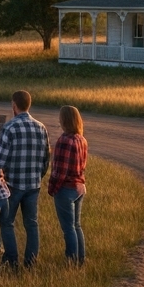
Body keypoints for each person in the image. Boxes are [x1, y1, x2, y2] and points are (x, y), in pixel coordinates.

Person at [0, 90, 50, 268]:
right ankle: (30, 262)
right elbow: (46, 158)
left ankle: (11, 261)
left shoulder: (9, 128)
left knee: (6, 221)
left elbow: (0, 160)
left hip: (13, 184)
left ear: (14, 105)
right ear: (29, 104)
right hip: (33, 184)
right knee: (31, 224)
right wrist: (38, 176)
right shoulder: (41, 127)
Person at [48, 105, 89, 265]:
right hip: (79, 186)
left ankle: (71, 260)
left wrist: (52, 188)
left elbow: (60, 170)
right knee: (76, 225)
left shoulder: (64, 140)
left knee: (68, 228)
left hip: (66, 188)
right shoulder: (81, 139)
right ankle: (81, 258)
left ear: (64, 120)